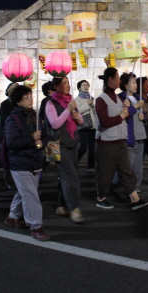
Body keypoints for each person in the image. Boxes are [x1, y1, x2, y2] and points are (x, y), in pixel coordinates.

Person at [94, 68, 148, 211]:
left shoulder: (120, 99)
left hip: (121, 140)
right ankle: (101, 197)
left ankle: (135, 199)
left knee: (127, 172)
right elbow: (104, 122)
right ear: (110, 80)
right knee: (106, 174)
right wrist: (121, 115)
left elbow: (124, 116)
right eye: (117, 77)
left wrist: (129, 110)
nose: (120, 80)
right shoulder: (101, 99)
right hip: (107, 143)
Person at [5, 85, 50, 241]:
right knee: (30, 195)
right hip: (20, 163)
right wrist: (32, 138)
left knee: (24, 192)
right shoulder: (13, 118)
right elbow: (11, 142)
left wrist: (40, 143)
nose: (31, 100)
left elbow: (44, 134)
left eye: (31, 96)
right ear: (18, 101)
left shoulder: (35, 116)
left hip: (35, 160)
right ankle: (36, 226)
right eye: (27, 97)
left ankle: (13, 216)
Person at [45, 77, 85, 223]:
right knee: (71, 178)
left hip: (72, 142)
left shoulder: (71, 101)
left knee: (66, 177)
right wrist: (68, 110)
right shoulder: (50, 103)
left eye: (68, 82)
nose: (68, 85)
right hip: (56, 145)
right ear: (56, 86)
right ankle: (74, 208)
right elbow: (55, 124)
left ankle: (61, 206)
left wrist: (76, 117)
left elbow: (81, 121)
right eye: (64, 82)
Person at [116, 73, 147, 191]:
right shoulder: (121, 99)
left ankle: (136, 189)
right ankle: (116, 187)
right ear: (125, 85)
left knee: (138, 168)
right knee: (127, 168)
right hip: (130, 137)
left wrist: (143, 115)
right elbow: (124, 116)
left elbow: (141, 115)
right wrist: (135, 107)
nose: (135, 85)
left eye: (135, 83)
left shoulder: (138, 98)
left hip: (140, 136)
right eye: (133, 82)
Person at [0, 82, 19, 189]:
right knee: (7, 158)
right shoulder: (5, 104)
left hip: (19, 134)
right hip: (8, 133)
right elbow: (3, 121)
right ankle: (8, 181)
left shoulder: (19, 103)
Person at [75, 80, 97, 174]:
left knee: (92, 148)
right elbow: (78, 111)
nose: (86, 87)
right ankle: (74, 163)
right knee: (83, 147)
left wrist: (92, 105)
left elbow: (94, 113)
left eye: (87, 85)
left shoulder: (90, 98)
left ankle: (90, 166)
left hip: (92, 126)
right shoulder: (77, 99)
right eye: (83, 85)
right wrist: (87, 104)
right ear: (79, 88)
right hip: (83, 126)